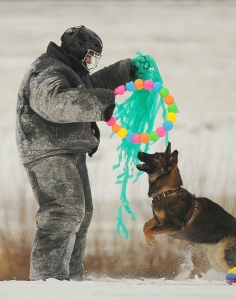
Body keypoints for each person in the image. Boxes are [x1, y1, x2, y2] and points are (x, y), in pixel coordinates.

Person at [16, 25, 139, 281]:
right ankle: (48, 281)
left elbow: (88, 86)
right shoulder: (46, 71)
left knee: (83, 213)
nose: (91, 61)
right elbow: (55, 102)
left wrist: (126, 71)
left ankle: (71, 279)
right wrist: (101, 104)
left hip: (68, 147)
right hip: (45, 149)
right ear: (77, 49)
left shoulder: (68, 69)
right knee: (64, 209)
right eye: (89, 55)